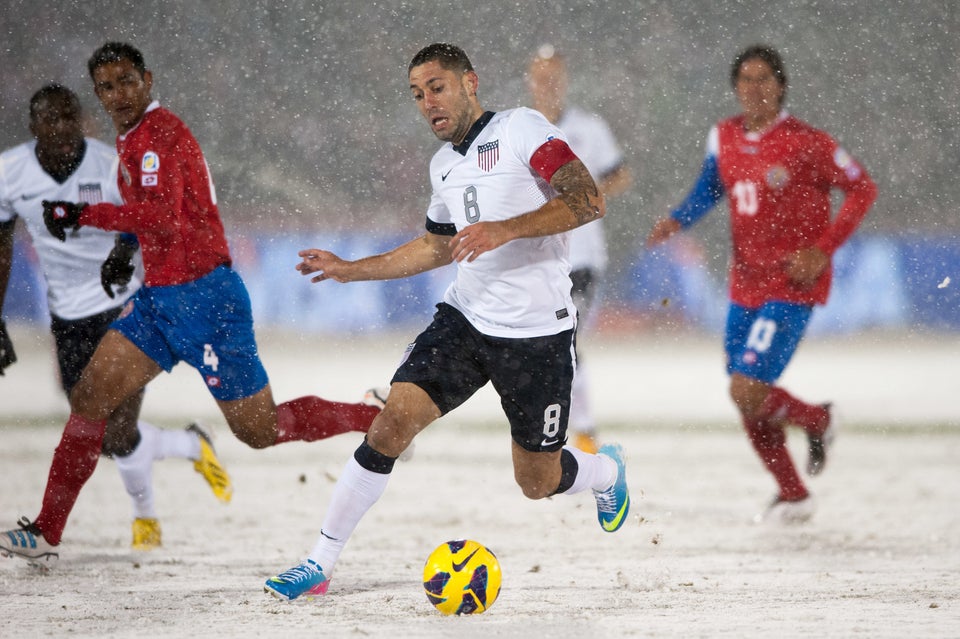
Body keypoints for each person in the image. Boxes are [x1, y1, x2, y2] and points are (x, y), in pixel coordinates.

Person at [264, 43, 631, 602]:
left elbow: (587, 200)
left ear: (470, 83)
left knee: (536, 480)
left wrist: (506, 229)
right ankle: (319, 562)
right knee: (390, 426)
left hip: (537, 334)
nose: (427, 102)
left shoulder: (521, 128)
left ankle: (603, 473)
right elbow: (437, 248)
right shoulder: (443, 166)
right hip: (465, 320)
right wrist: (350, 269)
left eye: (437, 87)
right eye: (416, 94)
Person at [0, 42, 381, 566]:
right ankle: (47, 531)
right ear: (98, 94)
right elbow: (151, 217)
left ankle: (373, 418)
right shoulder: (133, 138)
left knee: (259, 431)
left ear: (147, 80)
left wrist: (83, 214)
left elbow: (159, 216)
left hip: (206, 301)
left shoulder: (158, 137)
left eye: (127, 81)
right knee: (89, 396)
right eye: (107, 86)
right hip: (160, 300)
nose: (118, 94)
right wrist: (125, 250)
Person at [646, 44, 877, 524]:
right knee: (746, 397)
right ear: (735, 87)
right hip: (744, 284)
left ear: (781, 85)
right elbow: (712, 186)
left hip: (792, 284)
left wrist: (822, 249)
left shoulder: (806, 141)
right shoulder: (724, 135)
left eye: (764, 79)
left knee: (747, 388)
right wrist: (678, 219)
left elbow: (862, 187)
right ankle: (794, 495)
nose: (754, 89)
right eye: (746, 80)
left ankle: (819, 419)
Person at [0, 83, 235, 551]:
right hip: (66, 315)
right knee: (97, 434)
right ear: (34, 127)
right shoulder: (9, 172)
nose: (64, 128)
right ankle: (189, 445)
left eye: (71, 117)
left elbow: (145, 216)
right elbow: (2, 244)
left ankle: (129, 523)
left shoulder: (109, 164)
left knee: (114, 428)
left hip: (122, 305)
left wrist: (124, 253)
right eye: (52, 119)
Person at [526, 45, 633, 454]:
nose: (548, 83)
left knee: (565, 339)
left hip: (581, 258)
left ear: (565, 80)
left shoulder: (590, 127)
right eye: (540, 76)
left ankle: (583, 433)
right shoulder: (520, 129)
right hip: (536, 256)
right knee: (541, 346)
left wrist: (584, 195)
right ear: (530, 81)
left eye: (554, 76)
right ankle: (555, 430)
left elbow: (620, 175)